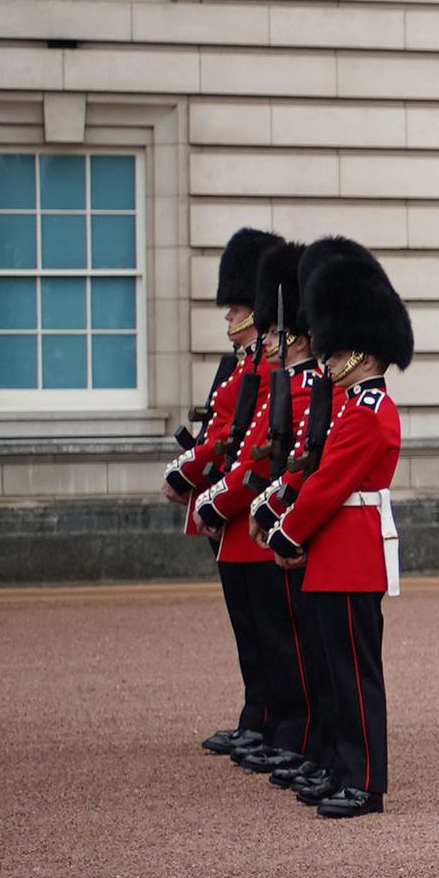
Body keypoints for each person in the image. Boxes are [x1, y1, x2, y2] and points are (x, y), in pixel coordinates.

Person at [262, 240, 413, 819]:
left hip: (351, 554)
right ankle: (340, 766)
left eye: (338, 348)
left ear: (366, 353)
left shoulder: (371, 412)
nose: (327, 359)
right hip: (334, 553)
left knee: (354, 676)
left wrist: (287, 531)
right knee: (332, 674)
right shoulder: (352, 406)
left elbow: (327, 486)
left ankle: (364, 780)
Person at [170, 226, 286, 760]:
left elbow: (248, 444)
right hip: (233, 509)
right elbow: (225, 437)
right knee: (251, 631)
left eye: (238, 307)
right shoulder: (242, 365)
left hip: (250, 512)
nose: (230, 317)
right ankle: (257, 716)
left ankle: (271, 723)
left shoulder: (265, 369)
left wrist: (197, 484)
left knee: (269, 631)